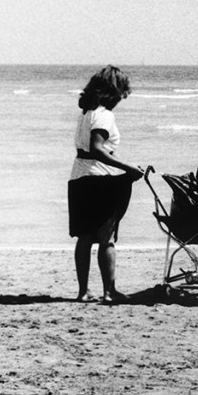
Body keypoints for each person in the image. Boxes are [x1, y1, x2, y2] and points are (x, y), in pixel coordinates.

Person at [68, 65, 146, 304]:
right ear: (114, 92)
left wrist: (124, 165)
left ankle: (83, 292)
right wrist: (128, 168)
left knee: (84, 237)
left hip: (79, 177)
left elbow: (91, 150)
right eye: (122, 93)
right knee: (106, 238)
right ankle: (109, 291)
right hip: (100, 180)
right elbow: (98, 149)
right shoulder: (104, 115)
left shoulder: (86, 113)